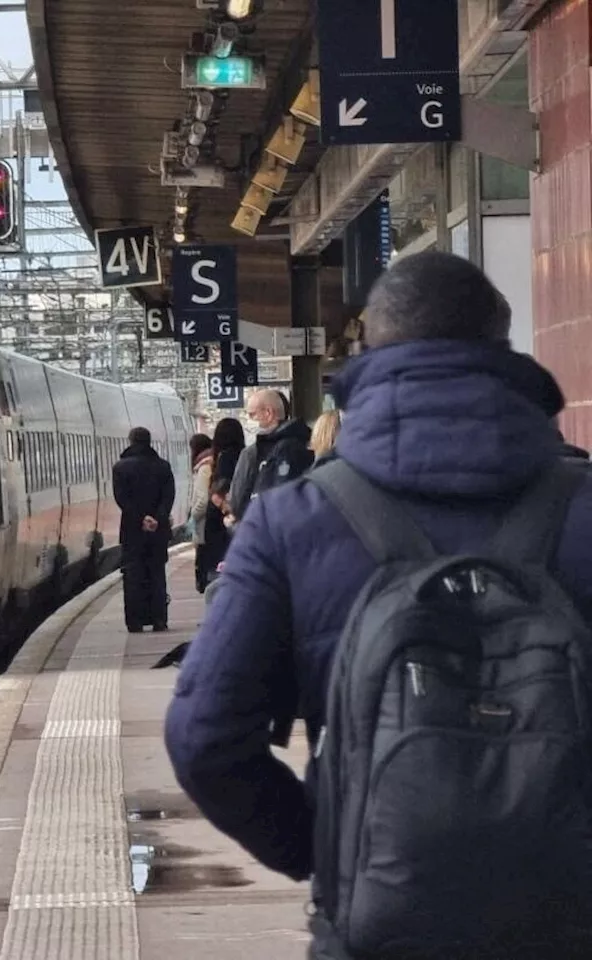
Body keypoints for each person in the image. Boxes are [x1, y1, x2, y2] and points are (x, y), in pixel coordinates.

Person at [164, 250, 592, 958]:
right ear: (502, 349)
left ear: (366, 350)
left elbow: (203, 737)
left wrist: (333, 847)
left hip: (377, 930)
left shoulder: (291, 522)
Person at [112, 426, 175, 632]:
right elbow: (168, 497)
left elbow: (122, 498)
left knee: (133, 575)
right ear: (149, 442)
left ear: (130, 441)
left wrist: (141, 518)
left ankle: (135, 622)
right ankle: (159, 619)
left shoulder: (120, 468)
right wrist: (157, 518)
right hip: (158, 530)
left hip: (132, 530)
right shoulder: (163, 467)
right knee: (157, 574)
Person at [228, 388, 313, 520]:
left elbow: (239, 501)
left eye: (252, 415)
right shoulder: (305, 441)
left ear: (268, 413)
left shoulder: (270, 451)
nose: (249, 421)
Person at [195, 417, 244, 588]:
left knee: (217, 573)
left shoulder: (223, 458)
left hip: (219, 522)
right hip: (237, 518)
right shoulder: (244, 455)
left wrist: (223, 506)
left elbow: (219, 490)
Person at [188, 433, 214, 594]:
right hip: (210, 526)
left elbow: (203, 499)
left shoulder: (204, 467)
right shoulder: (213, 462)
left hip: (204, 527)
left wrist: (193, 516)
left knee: (205, 573)